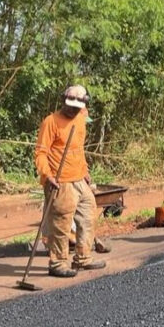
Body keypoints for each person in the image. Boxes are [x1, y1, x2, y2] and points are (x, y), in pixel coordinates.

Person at [34, 85, 106, 277]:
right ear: (63, 101)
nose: (71, 110)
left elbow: (78, 150)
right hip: (60, 182)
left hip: (79, 179)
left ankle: (83, 258)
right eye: (69, 105)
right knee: (61, 224)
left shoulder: (81, 120)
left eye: (76, 107)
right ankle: (57, 263)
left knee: (89, 214)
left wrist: (85, 170)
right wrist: (48, 176)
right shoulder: (51, 122)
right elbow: (41, 153)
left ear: (83, 105)